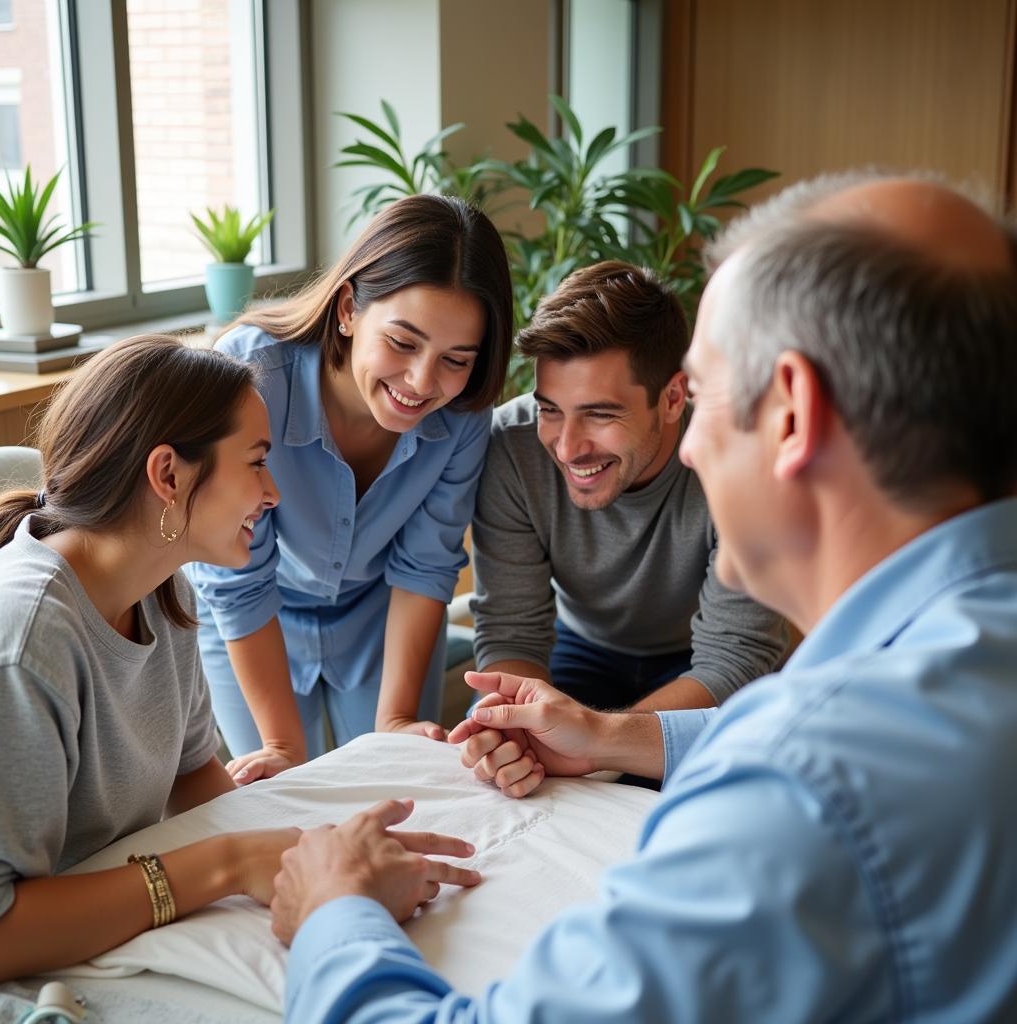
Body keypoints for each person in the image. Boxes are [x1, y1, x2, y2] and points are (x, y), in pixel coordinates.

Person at [269, 171, 1017, 1022]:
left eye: (706, 395)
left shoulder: (796, 786)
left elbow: (798, 770)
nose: (692, 446)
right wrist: (600, 737)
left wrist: (336, 914)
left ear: (791, 419)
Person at [0, 335, 304, 982]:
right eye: (255, 462)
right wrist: (228, 864)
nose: (271, 492)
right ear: (168, 475)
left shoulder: (164, 594)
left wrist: (292, 845)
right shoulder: (25, 643)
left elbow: (193, 779)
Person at [189, 194, 512, 784]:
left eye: (456, 359)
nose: (421, 382)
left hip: (380, 610)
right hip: (256, 612)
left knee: (392, 784)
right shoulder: (250, 375)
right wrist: (283, 747)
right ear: (347, 309)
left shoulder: (464, 415)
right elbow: (239, 583)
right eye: (403, 342)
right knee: (284, 795)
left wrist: (394, 722)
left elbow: (425, 565)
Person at [469, 262, 785, 754]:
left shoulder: (740, 458)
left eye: (599, 414)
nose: (568, 448)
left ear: (674, 398)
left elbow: (733, 661)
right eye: (550, 409)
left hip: (701, 667)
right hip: (579, 647)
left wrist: (598, 745)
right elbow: (513, 637)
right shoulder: (511, 449)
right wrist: (518, 731)